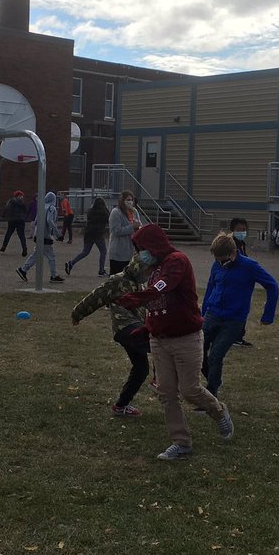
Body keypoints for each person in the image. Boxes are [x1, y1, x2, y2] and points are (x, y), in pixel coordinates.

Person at [116, 224, 234, 460]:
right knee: (167, 393)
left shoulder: (176, 261)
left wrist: (135, 298)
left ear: (154, 245)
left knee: (190, 390)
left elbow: (162, 289)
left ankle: (219, 412)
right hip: (160, 340)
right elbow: (157, 306)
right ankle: (181, 443)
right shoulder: (154, 268)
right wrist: (147, 328)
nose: (141, 254)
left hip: (186, 338)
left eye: (143, 248)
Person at [71, 251, 154, 417]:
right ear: (138, 268)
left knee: (141, 368)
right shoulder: (117, 281)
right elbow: (96, 297)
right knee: (160, 346)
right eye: (147, 272)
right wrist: (77, 313)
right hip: (126, 329)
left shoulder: (139, 285)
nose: (148, 276)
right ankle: (164, 379)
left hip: (136, 328)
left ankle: (121, 405)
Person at [200, 232, 278, 398]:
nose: (220, 262)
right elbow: (210, 288)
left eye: (222, 259)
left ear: (233, 253)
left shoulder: (249, 266)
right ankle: (213, 378)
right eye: (217, 259)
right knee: (198, 352)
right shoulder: (217, 265)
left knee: (216, 355)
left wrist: (268, 315)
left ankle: (211, 393)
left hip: (233, 320)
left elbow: (272, 285)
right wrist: (202, 314)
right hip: (212, 315)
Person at [17, 191, 64, 283]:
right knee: (51, 256)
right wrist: (57, 234)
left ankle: (23, 270)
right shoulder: (51, 208)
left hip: (38, 233)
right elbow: (50, 221)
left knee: (36, 254)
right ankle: (54, 276)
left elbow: (36, 220)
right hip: (45, 235)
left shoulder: (42, 207)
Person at [65, 196, 109, 276]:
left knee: (85, 251)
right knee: (103, 252)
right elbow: (108, 220)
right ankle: (101, 271)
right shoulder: (104, 212)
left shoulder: (90, 211)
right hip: (98, 234)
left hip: (88, 233)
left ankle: (71, 263)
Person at [227, 218, 255, 346]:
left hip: (242, 281)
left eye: (244, 230)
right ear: (232, 230)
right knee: (237, 310)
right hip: (234, 282)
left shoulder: (241, 243)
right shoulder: (230, 244)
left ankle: (238, 335)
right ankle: (234, 337)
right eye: (239, 230)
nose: (242, 232)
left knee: (242, 309)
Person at [108, 190, 142, 274]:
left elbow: (138, 225)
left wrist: (138, 228)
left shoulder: (134, 211)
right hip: (118, 252)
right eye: (128, 200)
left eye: (131, 200)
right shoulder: (116, 212)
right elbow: (116, 231)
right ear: (122, 200)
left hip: (131, 251)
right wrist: (132, 227)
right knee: (116, 277)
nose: (130, 202)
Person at [0, 190, 29, 256]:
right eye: (21, 195)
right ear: (19, 195)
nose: (22, 197)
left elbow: (6, 208)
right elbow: (25, 211)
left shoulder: (11, 201)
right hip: (20, 220)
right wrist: (24, 217)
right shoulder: (22, 202)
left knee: (9, 233)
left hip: (12, 219)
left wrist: (3, 215)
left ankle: (4, 246)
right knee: (22, 235)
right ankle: (24, 248)